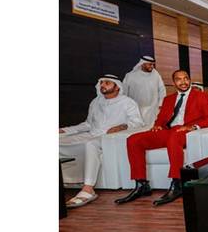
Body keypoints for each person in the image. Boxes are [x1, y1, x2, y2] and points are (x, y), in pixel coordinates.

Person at [115, 70, 208, 206]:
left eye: (186, 78)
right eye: (179, 79)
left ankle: (177, 183)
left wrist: (192, 127)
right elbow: (161, 119)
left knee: (174, 136)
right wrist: (157, 125)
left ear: (189, 80)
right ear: (173, 83)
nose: (183, 82)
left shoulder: (201, 96)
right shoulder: (168, 99)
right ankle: (141, 184)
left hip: (186, 132)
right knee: (133, 140)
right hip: (169, 131)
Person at [59, 74, 144, 208]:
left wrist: (122, 126)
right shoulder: (96, 102)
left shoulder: (128, 102)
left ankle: (88, 189)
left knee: (91, 144)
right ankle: (64, 182)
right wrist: (65, 130)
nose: (102, 85)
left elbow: (138, 122)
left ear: (117, 87)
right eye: (101, 82)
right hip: (91, 133)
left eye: (107, 83)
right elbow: (88, 124)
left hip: (108, 138)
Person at [122, 55, 166, 125]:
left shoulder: (156, 74)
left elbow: (162, 89)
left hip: (152, 109)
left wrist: (161, 103)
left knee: (152, 127)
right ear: (142, 64)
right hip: (136, 109)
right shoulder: (130, 76)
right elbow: (124, 92)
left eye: (153, 65)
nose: (152, 66)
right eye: (150, 64)